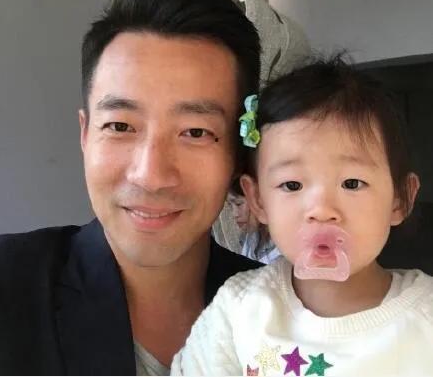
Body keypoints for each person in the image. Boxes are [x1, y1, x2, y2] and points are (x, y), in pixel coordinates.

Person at [0, 0, 263, 375]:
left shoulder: (289, 307)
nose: (150, 175)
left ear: (237, 152)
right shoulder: (9, 284)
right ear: (86, 134)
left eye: (195, 132)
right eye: (120, 126)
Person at [171, 58, 433, 376]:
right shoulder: (240, 309)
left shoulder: (425, 318)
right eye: (292, 185)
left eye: (352, 183)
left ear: (399, 199)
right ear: (258, 200)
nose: (321, 209)